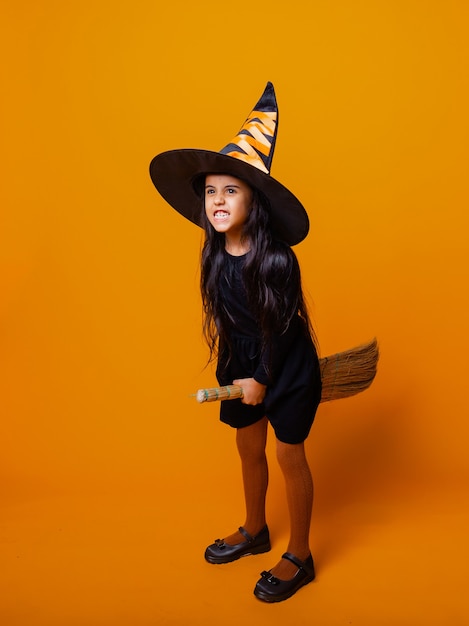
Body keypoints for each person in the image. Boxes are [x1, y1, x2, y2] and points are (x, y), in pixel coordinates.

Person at [149, 82, 322, 603]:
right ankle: (254, 528)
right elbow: (229, 320)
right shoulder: (214, 254)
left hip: (283, 365)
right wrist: (236, 375)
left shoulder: (277, 260)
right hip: (241, 361)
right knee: (247, 445)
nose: (218, 201)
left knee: (288, 454)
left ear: (255, 201)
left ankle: (301, 553)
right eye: (211, 191)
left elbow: (278, 329)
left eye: (231, 190)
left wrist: (263, 379)